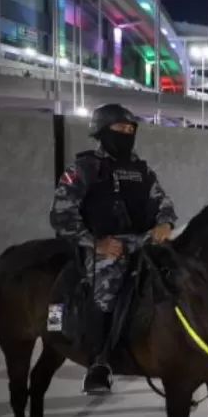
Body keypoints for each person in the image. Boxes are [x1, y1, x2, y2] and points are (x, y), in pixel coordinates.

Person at [50, 103, 178, 394]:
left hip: (145, 240)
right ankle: (99, 362)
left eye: (131, 129)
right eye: (120, 128)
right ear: (101, 130)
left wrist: (165, 223)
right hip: (105, 245)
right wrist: (95, 243)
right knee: (106, 292)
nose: (127, 133)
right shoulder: (84, 168)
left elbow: (164, 202)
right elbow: (61, 214)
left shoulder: (142, 170)